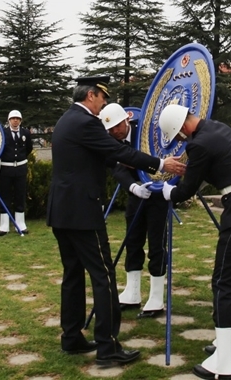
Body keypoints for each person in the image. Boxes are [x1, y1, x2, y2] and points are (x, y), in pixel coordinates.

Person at [47, 76, 187, 367]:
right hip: (83, 214)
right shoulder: (86, 122)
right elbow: (117, 151)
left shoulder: (65, 121)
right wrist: (160, 164)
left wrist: (132, 168)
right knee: (103, 276)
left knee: (72, 276)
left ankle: (71, 337)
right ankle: (108, 347)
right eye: (101, 98)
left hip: (62, 212)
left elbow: (103, 158)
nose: (103, 104)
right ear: (91, 96)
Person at [157, 104, 231, 380]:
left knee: (223, 281)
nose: (181, 141)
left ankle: (223, 363)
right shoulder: (217, 128)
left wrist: (167, 191)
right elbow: (217, 166)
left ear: (181, 128)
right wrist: (189, 168)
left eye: (178, 136)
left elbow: (188, 189)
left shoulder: (198, 144)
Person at [102, 104, 167, 319]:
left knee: (157, 244)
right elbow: (116, 167)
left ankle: (156, 297)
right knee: (133, 240)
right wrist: (133, 187)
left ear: (126, 121)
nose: (114, 133)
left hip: (157, 192)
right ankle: (132, 292)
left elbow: (159, 156)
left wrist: (152, 180)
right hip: (136, 193)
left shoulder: (146, 130)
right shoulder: (110, 140)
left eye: (117, 128)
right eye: (110, 130)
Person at [0, 109, 33, 236]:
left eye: (17, 118)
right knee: (5, 195)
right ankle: (4, 225)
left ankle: (20, 224)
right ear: (9, 120)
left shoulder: (25, 133)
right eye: (13, 118)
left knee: (20, 195)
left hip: (20, 169)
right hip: (6, 169)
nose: (15, 120)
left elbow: (29, 148)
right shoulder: (3, 133)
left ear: (21, 120)